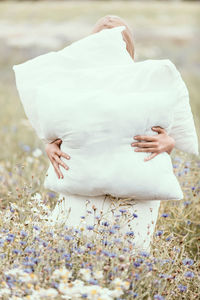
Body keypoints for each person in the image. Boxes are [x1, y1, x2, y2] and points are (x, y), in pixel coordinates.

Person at [45, 15, 175, 253]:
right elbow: (58, 133)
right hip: (86, 185)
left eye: (116, 44)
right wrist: (50, 145)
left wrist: (169, 142)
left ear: (127, 48)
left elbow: (169, 133)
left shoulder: (148, 84)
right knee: (70, 253)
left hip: (136, 190)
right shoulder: (75, 86)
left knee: (128, 262)